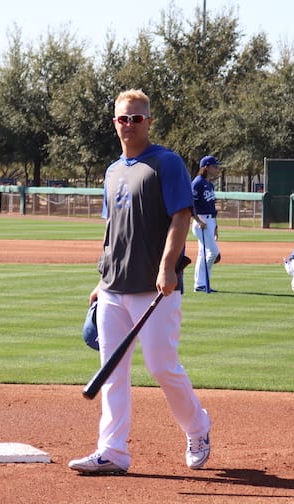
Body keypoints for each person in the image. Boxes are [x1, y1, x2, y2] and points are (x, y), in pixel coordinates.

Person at [68, 89, 211, 475]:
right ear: (113, 122)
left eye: (136, 118)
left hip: (154, 287)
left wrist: (167, 267)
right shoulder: (113, 171)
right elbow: (112, 229)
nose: (128, 125)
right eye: (122, 118)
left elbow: (181, 215)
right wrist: (102, 278)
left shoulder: (166, 163)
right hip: (114, 287)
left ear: (148, 121)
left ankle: (198, 428)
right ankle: (112, 451)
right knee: (112, 371)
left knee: (163, 367)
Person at [191, 155, 222, 293]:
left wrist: (215, 226)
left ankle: (201, 284)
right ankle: (203, 283)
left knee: (203, 254)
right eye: (214, 166)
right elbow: (190, 204)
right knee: (213, 252)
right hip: (201, 221)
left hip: (209, 220)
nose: (216, 169)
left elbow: (212, 206)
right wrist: (198, 220)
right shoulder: (197, 183)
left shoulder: (209, 184)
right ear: (206, 167)